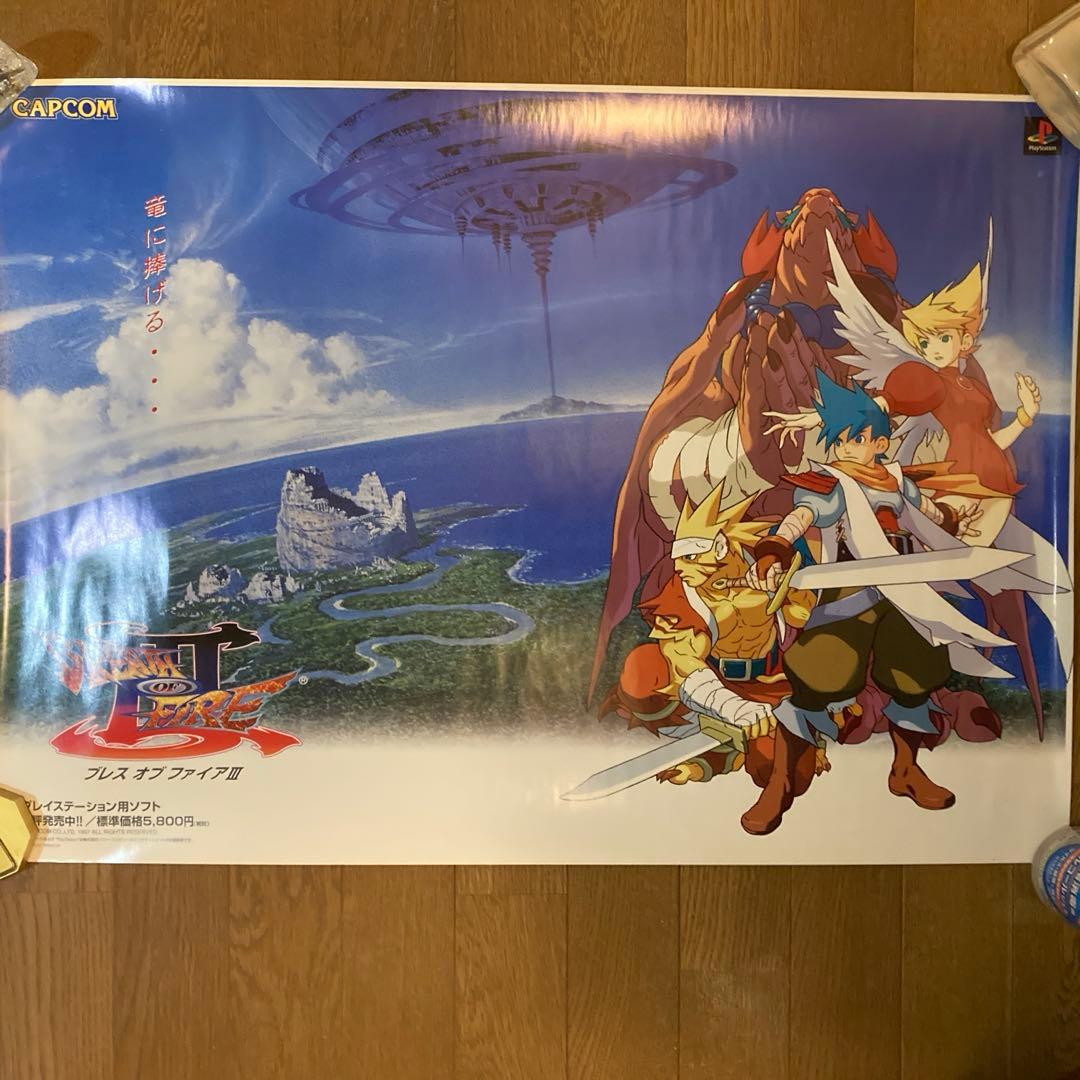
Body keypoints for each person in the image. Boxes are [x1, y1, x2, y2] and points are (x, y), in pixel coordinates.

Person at [744, 371, 1015, 834]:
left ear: (880, 441)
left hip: (906, 590)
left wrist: (953, 518)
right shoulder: (829, 482)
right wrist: (776, 547)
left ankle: (905, 770)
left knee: (914, 675)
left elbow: (926, 512)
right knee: (819, 676)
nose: (850, 448)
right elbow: (801, 516)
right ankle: (781, 783)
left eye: (859, 439)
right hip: (849, 590)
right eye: (843, 441)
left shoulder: (895, 479)